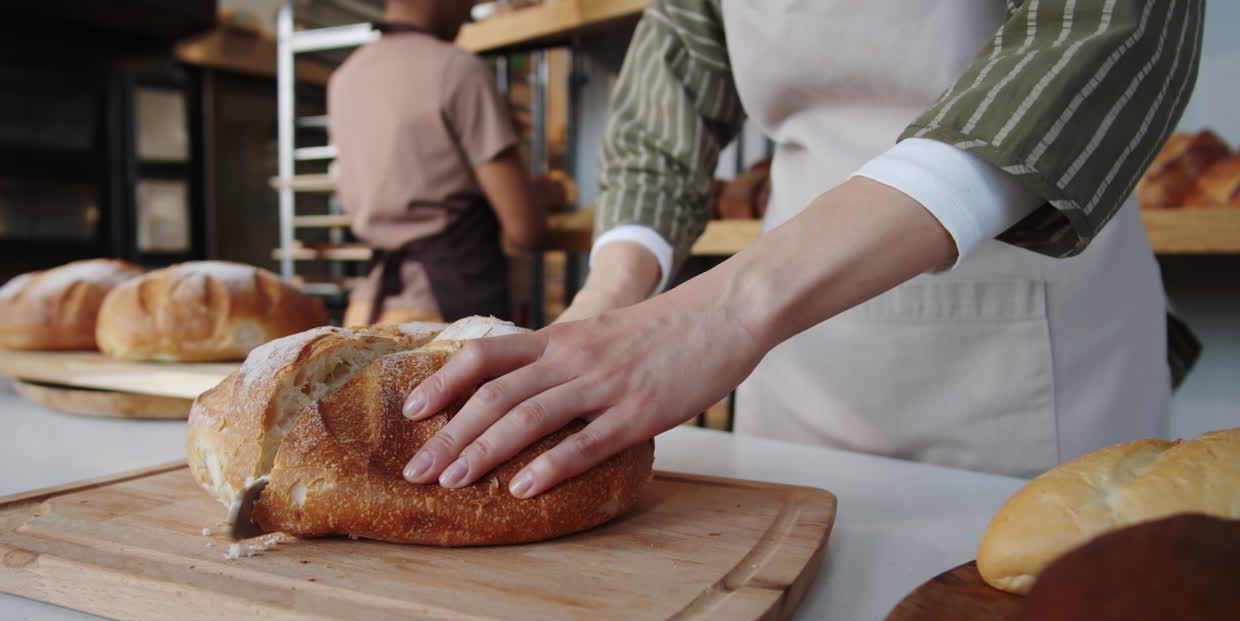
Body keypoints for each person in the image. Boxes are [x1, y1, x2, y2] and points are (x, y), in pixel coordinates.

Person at [397, 0, 1205, 498]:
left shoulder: (729, 314)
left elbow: (1104, 37)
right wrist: (605, 303)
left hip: (1027, 364)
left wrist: (719, 315)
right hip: (796, 373)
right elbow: (667, 102)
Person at [328, 0, 544, 326]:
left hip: (367, 313)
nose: (469, 9)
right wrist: (537, 198)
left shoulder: (344, 76)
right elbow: (526, 230)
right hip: (443, 319)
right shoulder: (457, 69)